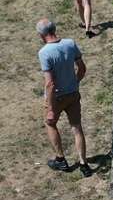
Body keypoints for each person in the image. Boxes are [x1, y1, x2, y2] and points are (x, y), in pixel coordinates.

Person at [37, 19, 92, 178]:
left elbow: (50, 83)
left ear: (42, 35)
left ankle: (61, 159)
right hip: (73, 93)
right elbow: (81, 68)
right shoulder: (70, 43)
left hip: (57, 97)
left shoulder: (44, 53)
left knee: (50, 123)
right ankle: (84, 164)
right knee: (77, 128)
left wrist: (50, 107)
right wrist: (74, 82)